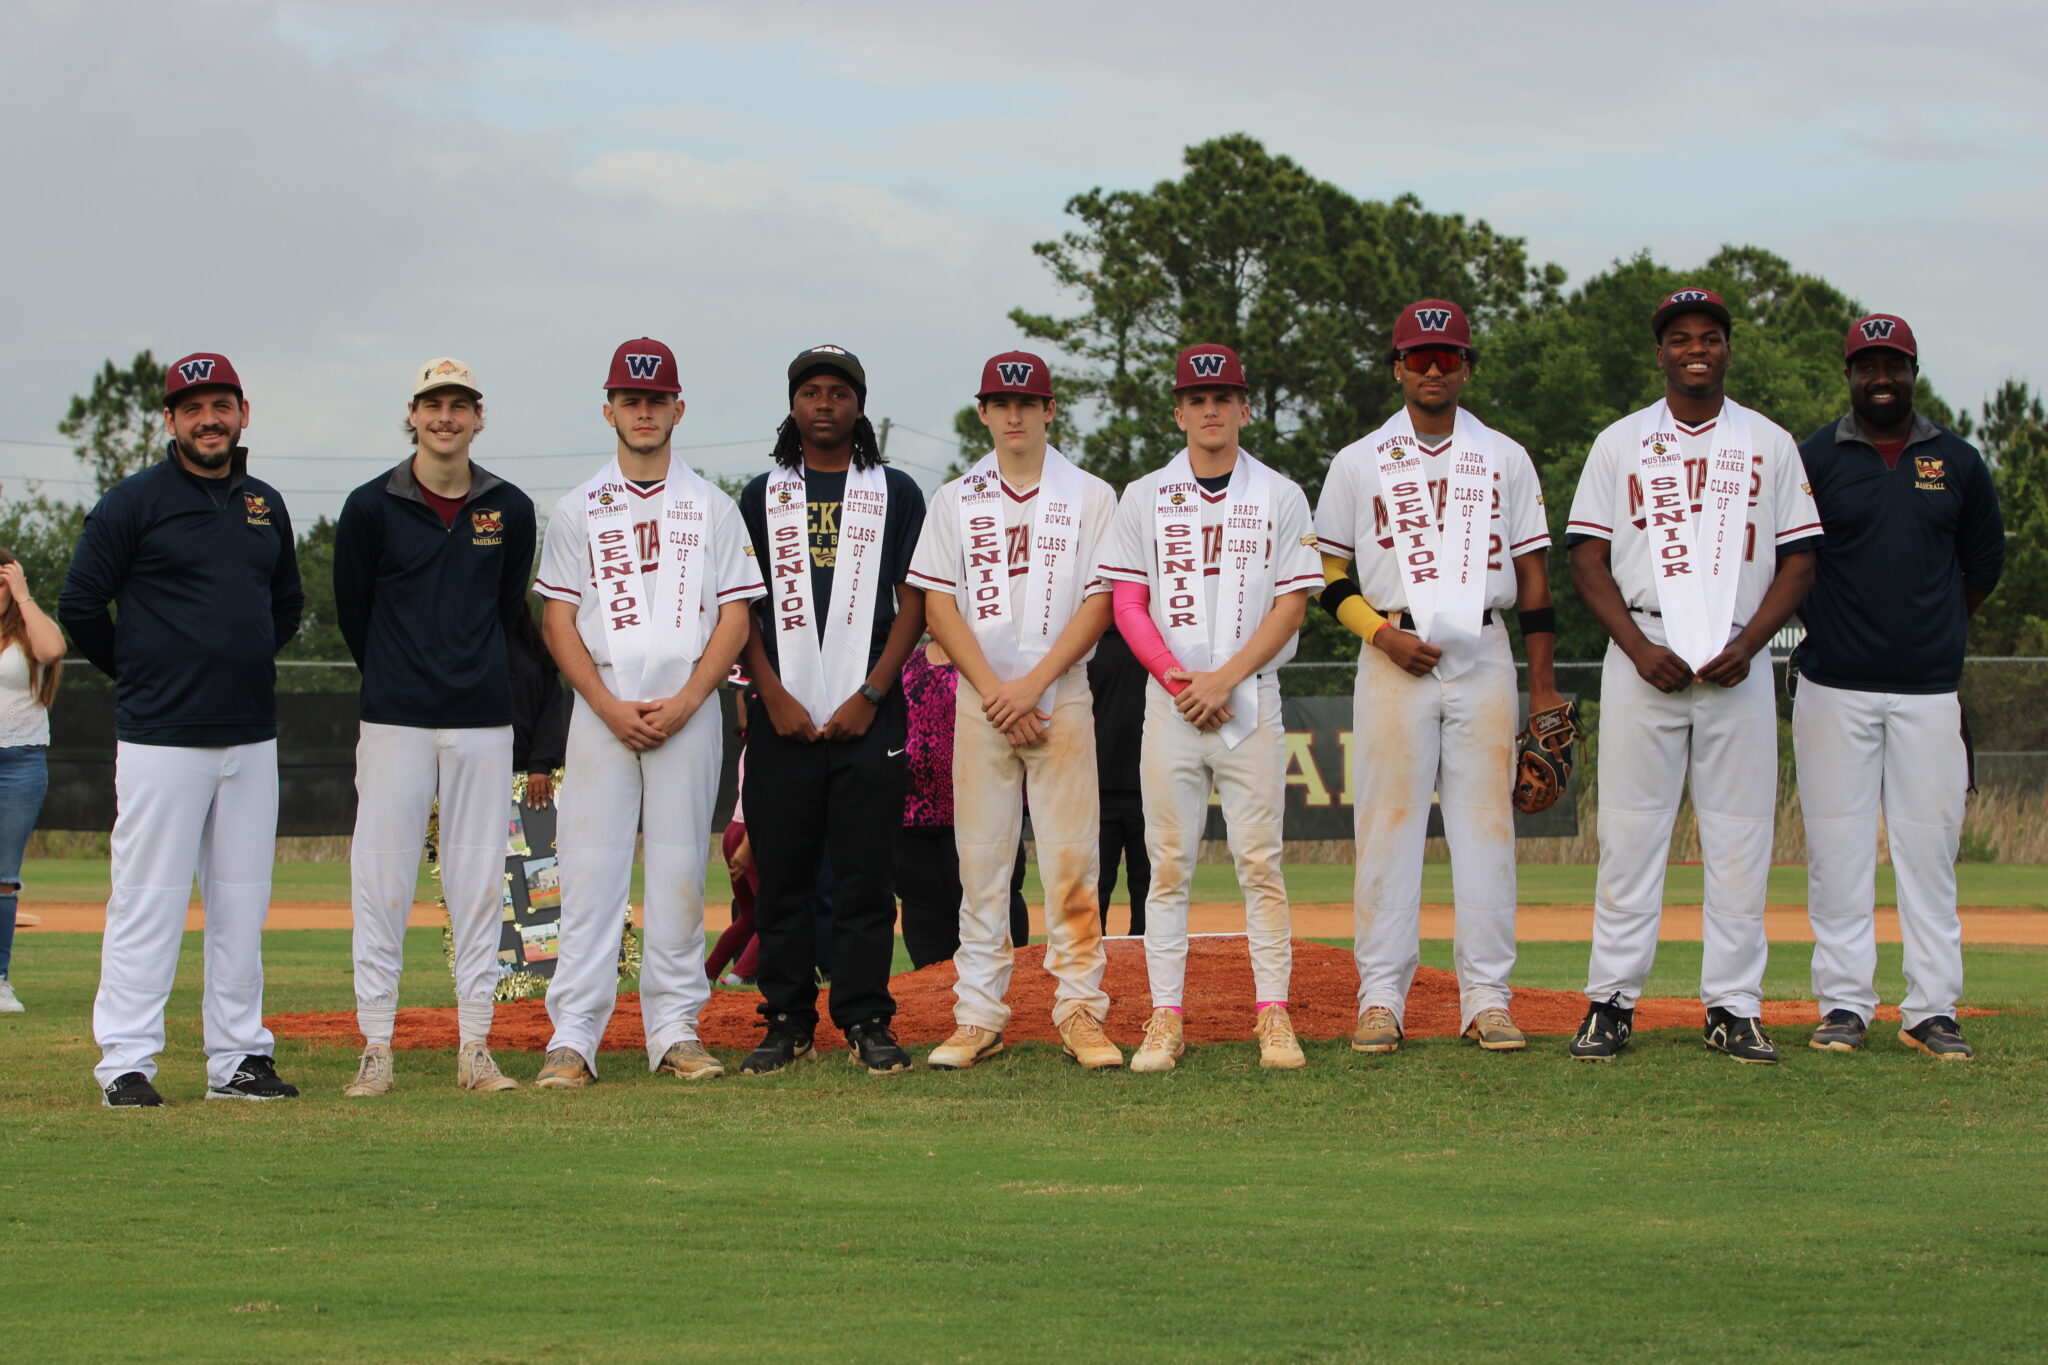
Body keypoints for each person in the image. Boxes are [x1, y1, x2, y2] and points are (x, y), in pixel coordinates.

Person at [1565, 289, 1822, 1064]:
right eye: (1680, 338)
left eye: (1710, 336)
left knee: (1741, 838)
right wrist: (1639, 650)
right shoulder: (1621, 442)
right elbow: (1584, 556)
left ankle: (1734, 1006)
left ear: (1728, 350)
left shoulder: (1770, 442)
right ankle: (1611, 1000)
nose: (1696, 348)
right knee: (1629, 836)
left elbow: (1801, 557)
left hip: (1735, 664)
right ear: (1660, 353)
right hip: (1646, 651)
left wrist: (1755, 644)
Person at [1314, 301, 1560, 1057]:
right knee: (1387, 825)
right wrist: (1380, 633)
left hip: (1483, 654)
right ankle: (1381, 997)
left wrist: (1544, 688)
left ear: (1466, 367)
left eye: (1447, 357)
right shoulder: (1360, 460)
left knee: (1487, 828)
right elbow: (1325, 575)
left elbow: (1534, 577)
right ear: (1396, 368)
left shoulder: (1505, 456)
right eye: (1418, 356)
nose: (1431, 369)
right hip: (1393, 648)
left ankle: (1485, 996)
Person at [59, 353, 305, 1106]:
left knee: (240, 903)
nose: (209, 419)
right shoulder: (132, 502)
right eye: (192, 407)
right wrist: (142, 671)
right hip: (161, 737)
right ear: (169, 420)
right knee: (148, 897)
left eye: (221, 404)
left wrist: (238, 659)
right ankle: (126, 1062)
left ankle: (237, 1059)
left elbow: (286, 606)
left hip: (249, 737)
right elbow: (79, 608)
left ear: (243, 412)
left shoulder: (265, 503)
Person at [530, 338, 764, 1089]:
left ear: (677, 408)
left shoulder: (713, 506)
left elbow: (735, 617)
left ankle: (675, 1030)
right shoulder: (577, 507)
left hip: (686, 713)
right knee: (589, 874)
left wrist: (692, 699)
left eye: (655, 398)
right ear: (609, 410)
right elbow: (557, 620)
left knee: (677, 878)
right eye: (630, 399)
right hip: (602, 710)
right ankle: (573, 1037)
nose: (642, 410)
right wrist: (602, 705)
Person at [1099, 343, 1322, 1072]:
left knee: (1260, 863)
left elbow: (1293, 605)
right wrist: (1179, 680)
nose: (1210, 408)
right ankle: (1165, 1018)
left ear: (1245, 407)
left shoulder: (1280, 493)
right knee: (1169, 867)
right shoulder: (1144, 494)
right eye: (1196, 398)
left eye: (1223, 396)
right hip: (1172, 706)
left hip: (1250, 701)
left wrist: (1224, 678)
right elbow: (1128, 602)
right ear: (1178, 411)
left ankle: (1274, 1016)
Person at [1795, 314, 2004, 1060]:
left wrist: (1930, 627)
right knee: (1838, 851)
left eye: (1894, 366)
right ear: (1849, 373)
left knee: (1928, 851)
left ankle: (1930, 1008)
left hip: (1925, 690)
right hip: (1832, 687)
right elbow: (1792, 562)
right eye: (1866, 366)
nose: (1880, 379)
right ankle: (1845, 1003)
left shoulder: (1959, 461)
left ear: (1914, 370)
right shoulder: (1814, 456)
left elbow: (1981, 567)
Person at [908, 351, 1121, 1071]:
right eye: (1001, 403)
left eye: (1028, 402)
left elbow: (1102, 601)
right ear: (983, 411)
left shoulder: (1091, 494)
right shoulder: (956, 497)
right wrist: (1000, 693)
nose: (1014, 414)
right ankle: (978, 1015)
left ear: (1050, 409)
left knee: (1071, 862)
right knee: (982, 865)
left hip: (1062, 697)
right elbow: (938, 602)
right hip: (982, 702)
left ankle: (1081, 1010)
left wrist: (1035, 685)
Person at [332, 357, 537, 1097]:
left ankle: (475, 1046)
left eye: (459, 405)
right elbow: (355, 610)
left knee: (480, 881)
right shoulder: (368, 507)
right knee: (380, 879)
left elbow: (508, 607)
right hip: (394, 717)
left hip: (483, 718)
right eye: (432, 404)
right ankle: (376, 1047)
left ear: (478, 417)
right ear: (412, 415)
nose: (445, 417)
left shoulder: (509, 508)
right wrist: (399, 673)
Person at [737, 345, 927, 1076]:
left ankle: (865, 1016)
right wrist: (772, 694)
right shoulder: (760, 494)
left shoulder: (896, 491)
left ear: (859, 406)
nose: (824, 404)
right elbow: (739, 609)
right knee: (782, 875)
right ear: (792, 405)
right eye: (811, 391)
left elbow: (913, 603)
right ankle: (785, 1018)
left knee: (865, 877)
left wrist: (873, 692)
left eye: (839, 393)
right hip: (782, 716)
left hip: (869, 712)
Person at [895, 638, 1031, 970]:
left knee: (994, 903)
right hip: (913, 817)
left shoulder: (996, 662)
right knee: (922, 908)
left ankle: (1006, 995)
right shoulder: (905, 665)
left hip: (983, 812)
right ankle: (936, 1003)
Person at [0, 549, 64, 1014]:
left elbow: (53, 650)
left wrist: (22, 594)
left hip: (19, 761)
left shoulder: (28, 631)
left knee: (3, 878)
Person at [1088, 624, 1150, 936]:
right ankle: (1089, 959)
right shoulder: (1087, 644)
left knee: (1149, 884)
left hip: (1150, 784)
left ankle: (1146, 958)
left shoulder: (1155, 640)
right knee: (1097, 885)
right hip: (1099, 786)